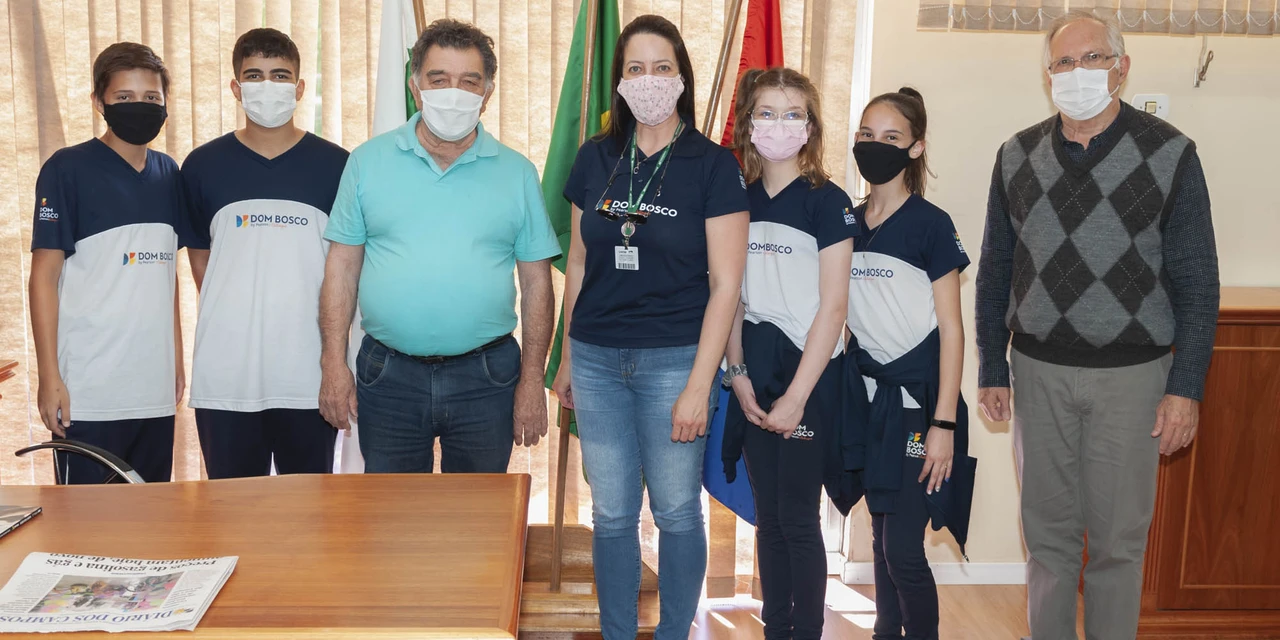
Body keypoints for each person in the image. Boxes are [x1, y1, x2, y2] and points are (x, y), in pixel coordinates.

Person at [974, 11, 1220, 640]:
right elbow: (995, 269)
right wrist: (992, 365)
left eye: (1092, 59)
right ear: (1047, 74)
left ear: (1121, 68)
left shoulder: (1171, 154)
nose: (1076, 72)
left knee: (1117, 546)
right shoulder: (1016, 155)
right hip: (1038, 374)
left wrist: (1186, 387)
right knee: (1047, 542)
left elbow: (1198, 284)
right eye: (1062, 62)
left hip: (1133, 381)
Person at [550, 14, 749, 639]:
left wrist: (699, 385)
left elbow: (727, 286)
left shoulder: (713, 165)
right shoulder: (596, 156)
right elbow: (578, 261)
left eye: (662, 67)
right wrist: (566, 357)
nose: (649, 79)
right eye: (635, 68)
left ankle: (672, 634)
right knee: (610, 514)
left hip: (675, 361)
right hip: (596, 358)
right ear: (619, 80)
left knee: (676, 511)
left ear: (682, 77)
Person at [318, 19, 560, 473]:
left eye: (469, 81)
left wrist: (531, 381)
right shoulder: (367, 162)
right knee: (393, 510)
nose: (454, 93)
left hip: (486, 379)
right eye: (439, 79)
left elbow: (537, 285)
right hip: (388, 376)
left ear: (487, 93)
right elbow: (341, 268)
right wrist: (333, 362)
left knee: (478, 512)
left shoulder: (517, 173)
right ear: (415, 88)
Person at [721, 67, 856, 640]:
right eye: (768, 113)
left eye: (793, 113)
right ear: (749, 123)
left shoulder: (828, 202)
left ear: (811, 126)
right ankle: (776, 629)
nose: (779, 124)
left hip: (810, 379)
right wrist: (738, 374)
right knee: (769, 520)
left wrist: (798, 397)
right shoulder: (737, 199)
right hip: (754, 375)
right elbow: (729, 295)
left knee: (799, 519)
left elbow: (834, 306)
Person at [183, 28, 349, 479]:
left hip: (310, 377)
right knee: (230, 509)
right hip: (227, 378)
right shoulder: (202, 165)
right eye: (254, 75)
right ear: (236, 87)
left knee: (311, 509)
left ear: (299, 88)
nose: (267, 85)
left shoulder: (338, 165)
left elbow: (348, 266)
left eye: (280, 75)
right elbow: (201, 259)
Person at [28, 42, 192, 484]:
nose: (140, 106)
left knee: (151, 516)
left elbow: (167, 275)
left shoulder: (169, 173)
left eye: (151, 97)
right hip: (88, 392)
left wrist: (176, 358)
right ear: (99, 102)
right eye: (124, 97)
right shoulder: (67, 169)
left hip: (153, 389)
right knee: (87, 521)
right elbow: (43, 277)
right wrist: (49, 376)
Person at [846, 88, 971, 640]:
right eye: (866, 134)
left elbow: (953, 330)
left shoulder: (931, 225)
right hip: (871, 404)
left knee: (902, 549)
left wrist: (943, 425)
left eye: (891, 137)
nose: (875, 145)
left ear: (916, 147)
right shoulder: (848, 222)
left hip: (920, 408)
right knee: (880, 539)